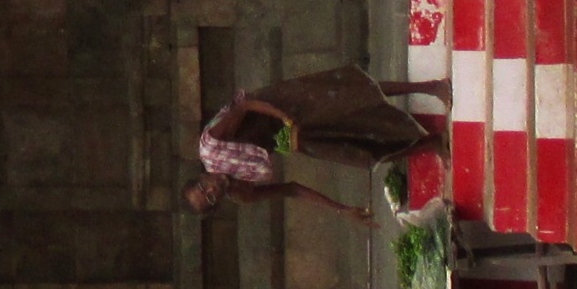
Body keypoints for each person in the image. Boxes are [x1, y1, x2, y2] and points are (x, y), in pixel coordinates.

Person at [183, 65, 449, 220]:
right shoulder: (240, 192)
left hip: (277, 107)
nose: (212, 190)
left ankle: (431, 87)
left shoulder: (211, 148)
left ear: (201, 177)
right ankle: (431, 144)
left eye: (203, 187)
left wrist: (286, 118)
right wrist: (342, 209)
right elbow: (292, 190)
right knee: (358, 152)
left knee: (354, 95)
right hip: (288, 139)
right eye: (210, 199)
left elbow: (245, 106)